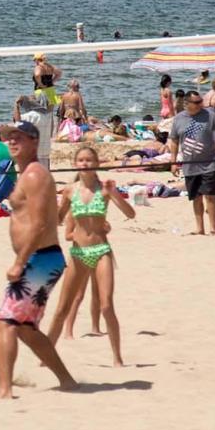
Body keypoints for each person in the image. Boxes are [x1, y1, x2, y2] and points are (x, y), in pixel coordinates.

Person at [0, 121, 77, 399]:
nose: (12, 141)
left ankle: (4, 391)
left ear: (34, 142)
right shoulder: (25, 174)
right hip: (41, 258)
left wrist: (20, 261)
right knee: (25, 329)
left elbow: (41, 223)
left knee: (6, 322)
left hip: (40, 259)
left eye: (19, 137)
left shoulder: (34, 175)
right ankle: (66, 380)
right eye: (9, 137)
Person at [49, 147, 136, 364]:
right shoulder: (70, 190)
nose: (85, 163)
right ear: (76, 164)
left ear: (96, 162)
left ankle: (117, 357)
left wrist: (115, 193)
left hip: (101, 250)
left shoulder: (104, 189)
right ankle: (46, 354)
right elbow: (58, 220)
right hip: (78, 252)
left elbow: (130, 214)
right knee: (62, 307)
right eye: (81, 160)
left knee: (106, 304)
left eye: (89, 160)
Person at [169, 88, 215, 236]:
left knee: (210, 195)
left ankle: (213, 228)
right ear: (187, 103)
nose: (200, 104)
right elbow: (175, 140)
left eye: (200, 101)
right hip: (190, 164)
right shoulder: (178, 119)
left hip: (209, 163)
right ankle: (199, 228)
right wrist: (173, 161)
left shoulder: (209, 115)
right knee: (196, 197)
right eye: (196, 102)